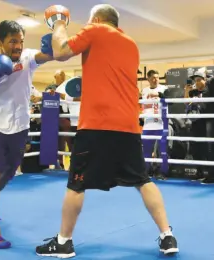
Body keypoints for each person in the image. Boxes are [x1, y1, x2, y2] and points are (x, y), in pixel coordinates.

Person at [36, 4, 179, 258]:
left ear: (98, 20)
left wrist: (58, 22)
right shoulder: (131, 44)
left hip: (97, 125)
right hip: (128, 125)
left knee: (76, 184)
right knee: (142, 180)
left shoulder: (96, 30)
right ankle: (167, 236)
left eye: (91, 21)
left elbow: (60, 50)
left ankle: (63, 242)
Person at [0, 20, 54, 249]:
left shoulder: (27, 58)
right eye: (12, 41)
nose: (18, 46)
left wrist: (51, 46)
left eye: (21, 41)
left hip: (20, 126)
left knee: (9, 173)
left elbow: (47, 56)